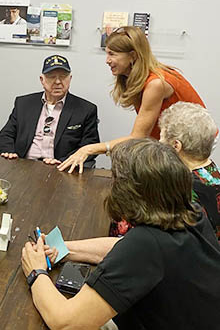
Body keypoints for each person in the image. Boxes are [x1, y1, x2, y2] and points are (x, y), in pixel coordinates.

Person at [22, 138, 220, 330]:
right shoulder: (189, 213)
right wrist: (64, 248)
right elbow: (123, 248)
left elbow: (65, 322)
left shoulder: (146, 245)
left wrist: (36, 271)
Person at [58, 25, 205, 173]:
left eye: (112, 54)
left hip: (193, 141)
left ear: (133, 56)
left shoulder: (156, 84)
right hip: (170, 139)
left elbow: (138, 137)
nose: (107, 60)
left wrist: (90, 149)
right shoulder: (138, 78)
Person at [0, 55, 100, 167]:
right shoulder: (24, 103)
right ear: (42, 80)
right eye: (51, 77)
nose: (58, 82)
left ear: (70, 79)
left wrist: (64, 161)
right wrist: (9, 153)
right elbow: (5, 135)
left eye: (63, 76)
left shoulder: (86, 109)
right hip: (24, 165)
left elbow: (90, 146)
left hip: (60, 167)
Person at [159, 101, 220, 236]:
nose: (159, 143)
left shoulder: (181, 191)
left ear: (176, 145)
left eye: (161, 137)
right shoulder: (215, 175)